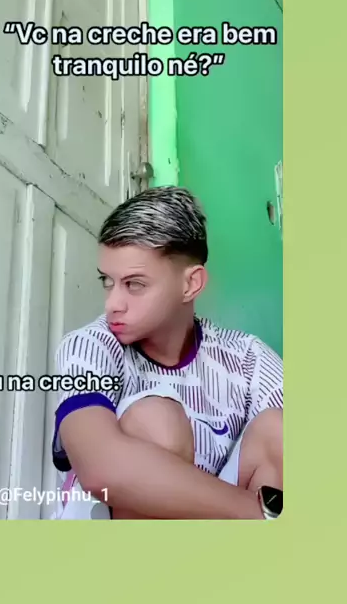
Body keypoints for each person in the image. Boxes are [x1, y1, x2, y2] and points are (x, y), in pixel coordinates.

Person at [51, 186, 283, 520]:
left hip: (214, 531)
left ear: (190, 284)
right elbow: (100, 468)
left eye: (134, 284)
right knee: (157, 420)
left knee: (279, 430)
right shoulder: (89, 345)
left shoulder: (246, 358)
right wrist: (259, 513)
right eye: (107, 281)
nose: (112, 304)